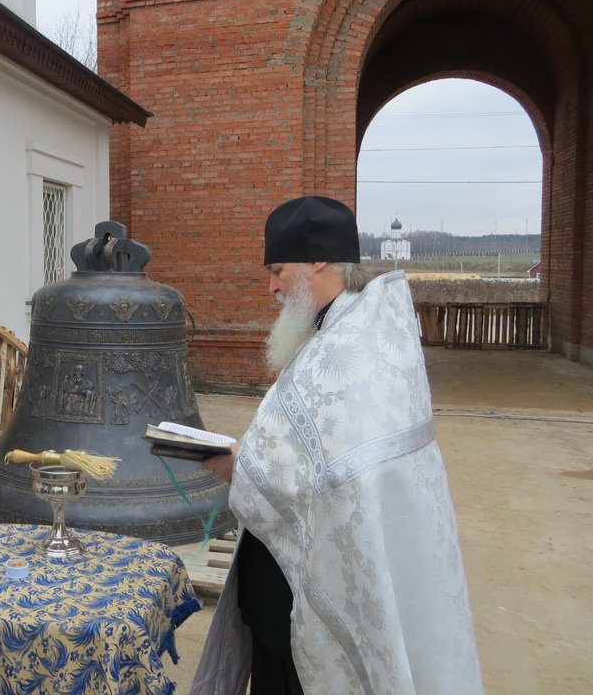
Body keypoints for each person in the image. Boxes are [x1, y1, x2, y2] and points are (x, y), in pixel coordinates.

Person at [191, 196, 483, 694]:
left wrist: (242, 467)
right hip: (279, 588)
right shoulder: (341, 329)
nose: (272, 287)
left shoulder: (354, 348)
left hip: (303, 608)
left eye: (279, 270)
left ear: (318, 260)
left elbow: (346, 475)